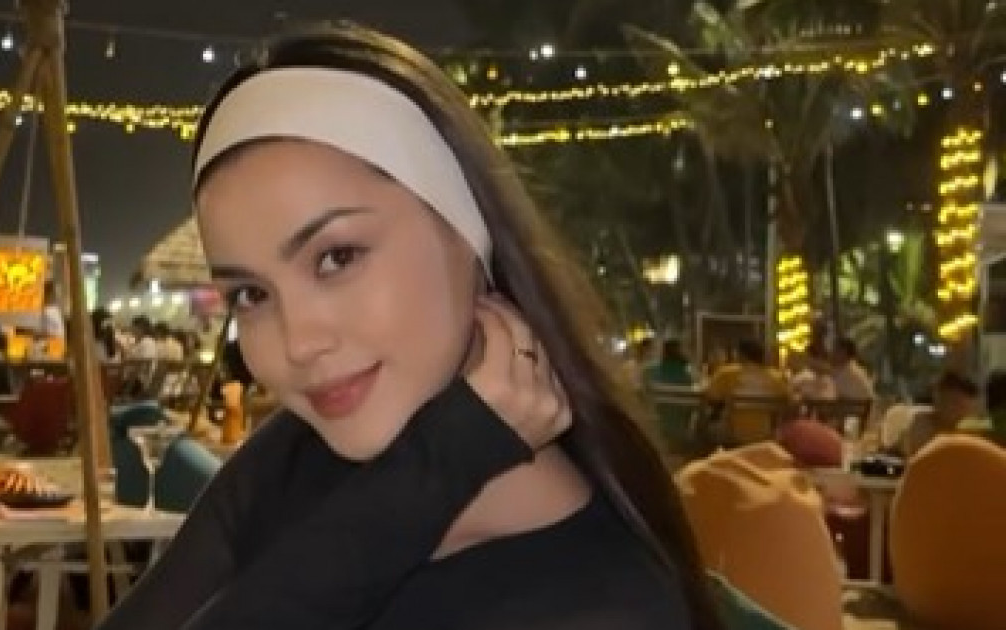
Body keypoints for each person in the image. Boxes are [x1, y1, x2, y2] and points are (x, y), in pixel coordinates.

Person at [98, 23, 736, 630]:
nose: (299, 342)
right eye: (251, 295)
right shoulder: (295, 460)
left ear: (467, 232)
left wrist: (435, 471)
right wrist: (430, 476)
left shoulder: (599, 603)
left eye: (337, 258)